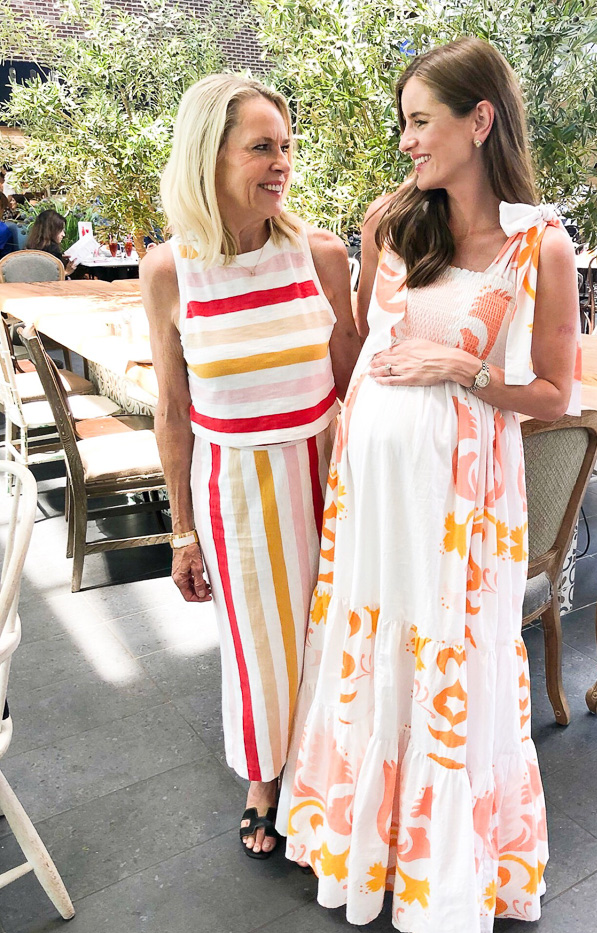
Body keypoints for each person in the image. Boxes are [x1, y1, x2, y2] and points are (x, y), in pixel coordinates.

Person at [278, 37, 581, 933]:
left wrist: (470, 370)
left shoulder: (541, 243)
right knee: (378, 658)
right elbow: (372, 351)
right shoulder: (390, 222)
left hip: (464, 506)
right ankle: (366, 849)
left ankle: (445, 893)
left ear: (478, 121)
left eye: (421, 121)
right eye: (403, 122)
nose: (406, 141)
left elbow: (556, 396)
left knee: (447, 671)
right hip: (377, 495)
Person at [141, 74, 360, 862]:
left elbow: (353, 383)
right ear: (210, 154)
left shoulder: (323, 255)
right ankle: (263, 782)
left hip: (323, 471)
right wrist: (181, 533)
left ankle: (326, 774)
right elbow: (172, 412)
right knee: (257, 646)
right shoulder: (170, 272)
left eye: (287, 147)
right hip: (232, 483)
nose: (281, 163)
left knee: (331, 635)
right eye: (261, 146)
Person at [25, 209, 77, 275]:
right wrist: (66, 272)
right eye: (61, 230)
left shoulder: (30, 246)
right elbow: (50, 277)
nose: (63, 234)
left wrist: (59, 257)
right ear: (51, 230)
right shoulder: (53, 248)